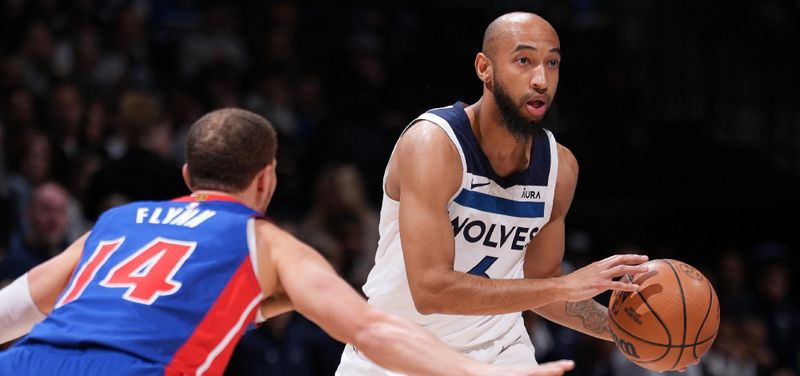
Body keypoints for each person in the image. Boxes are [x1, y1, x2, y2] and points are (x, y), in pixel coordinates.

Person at [0, 107, 577, 376]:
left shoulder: (116, 224)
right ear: (266, 180)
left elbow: (14, 310)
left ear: (185, 179)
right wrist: (483, 374)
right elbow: (370, 328)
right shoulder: (268, 243)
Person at [336, 11, 652, 374]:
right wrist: (561, 287)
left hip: (499, 353)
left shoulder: (560, 168)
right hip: (396, 354)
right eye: (524, 60)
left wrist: (635, 333)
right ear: (484, 68)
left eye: (552, 63)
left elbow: (543, 290)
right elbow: (430, 290)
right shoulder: (434, 145)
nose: (541, 80)